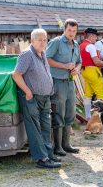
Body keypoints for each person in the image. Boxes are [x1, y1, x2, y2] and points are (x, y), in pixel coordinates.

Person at [12, 28, 61, 168]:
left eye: (45, 39)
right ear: (32, 40)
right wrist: (27, 92)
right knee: (34, 128)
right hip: (32, 97)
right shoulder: (27, 54)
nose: (42, 42)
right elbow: (16, 75)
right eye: (39, 39)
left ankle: (48, 155)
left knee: (46, 126)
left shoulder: (42, 54)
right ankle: (41, 159)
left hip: (45, 97)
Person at [46, 19, 81, 156]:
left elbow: (79, 61)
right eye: (69, 30)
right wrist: (64, 66)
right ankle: (58, 146)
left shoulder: (76, 44)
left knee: (70, 112)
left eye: (74, 31)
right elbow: (46, 59)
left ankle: (66, 144)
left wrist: (77, 69)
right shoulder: (56, 42)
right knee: (58, 112)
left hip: (70, 82)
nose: (71, 33)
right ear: (64, 29)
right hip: (58, 81)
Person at [80, 28, 103, 120]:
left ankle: (88, 116)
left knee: (88, 94)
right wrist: (102, 63)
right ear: (91, 36)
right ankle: (100, 117)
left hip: (84, 70)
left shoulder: (81, 45)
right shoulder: (91, 46)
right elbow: (96, 62)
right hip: (93, 70)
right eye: (95, 36)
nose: (96, 38)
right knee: (100, 94)